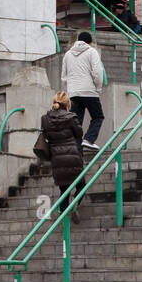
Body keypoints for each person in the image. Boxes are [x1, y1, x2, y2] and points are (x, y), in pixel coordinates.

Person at [41, 91, 84, 224]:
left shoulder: (45, 118)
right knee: (81, 184)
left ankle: (64, 217)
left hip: (57, 158)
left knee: (64, 189)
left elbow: (45, 136)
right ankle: (75, 204)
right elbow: (79, 134)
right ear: (67, 104)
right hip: (72, 155)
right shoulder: (71, 117)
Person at [61, 30, 106, 151]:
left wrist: (70, 89)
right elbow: (97, 72)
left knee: (77, 124)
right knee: (98, 117)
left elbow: (64, 76)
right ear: (90, 42)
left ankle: (77, 154)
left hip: (73, 93)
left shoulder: (67, 54)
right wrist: (98, 87)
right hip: (89, 91)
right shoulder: (92, 52)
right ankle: (89, 139)